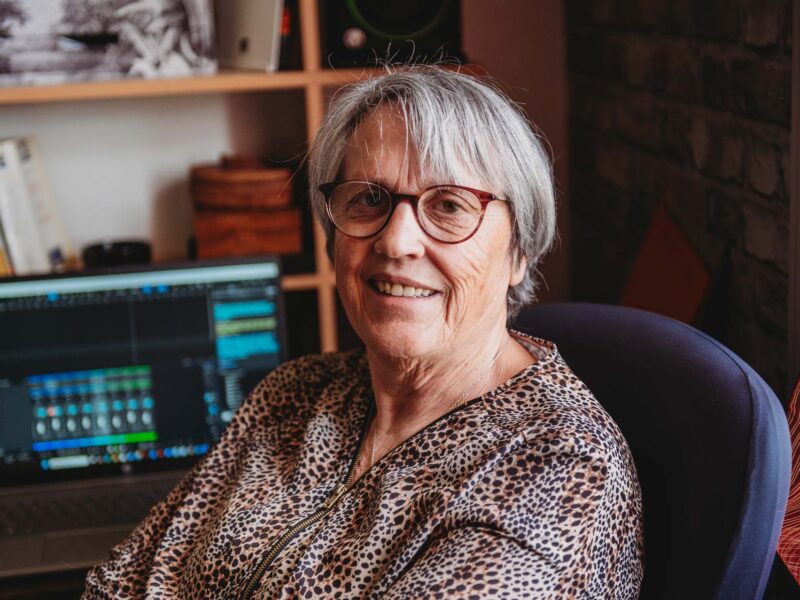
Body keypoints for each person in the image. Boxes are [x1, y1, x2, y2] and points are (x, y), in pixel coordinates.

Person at [83, 66, 643, 599]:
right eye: (369, 198)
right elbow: (124, 581)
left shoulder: (557, 464)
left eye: (448, 205)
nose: (397, 242)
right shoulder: (294, 395)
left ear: (519, 251)